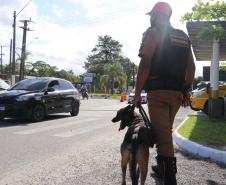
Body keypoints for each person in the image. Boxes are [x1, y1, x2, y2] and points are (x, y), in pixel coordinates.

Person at [133, 2, 195, 185]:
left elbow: (145, 65)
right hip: (176, 93)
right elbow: (191, 67)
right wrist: (186, 90)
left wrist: (137, 94)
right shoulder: (183, 36)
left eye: (152, 15)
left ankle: (168, 177)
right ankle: (162, 168)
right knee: (164, 132)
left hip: (158, 93)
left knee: (162, 137)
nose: (151, 18)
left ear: (156, 15)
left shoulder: (152, 33)